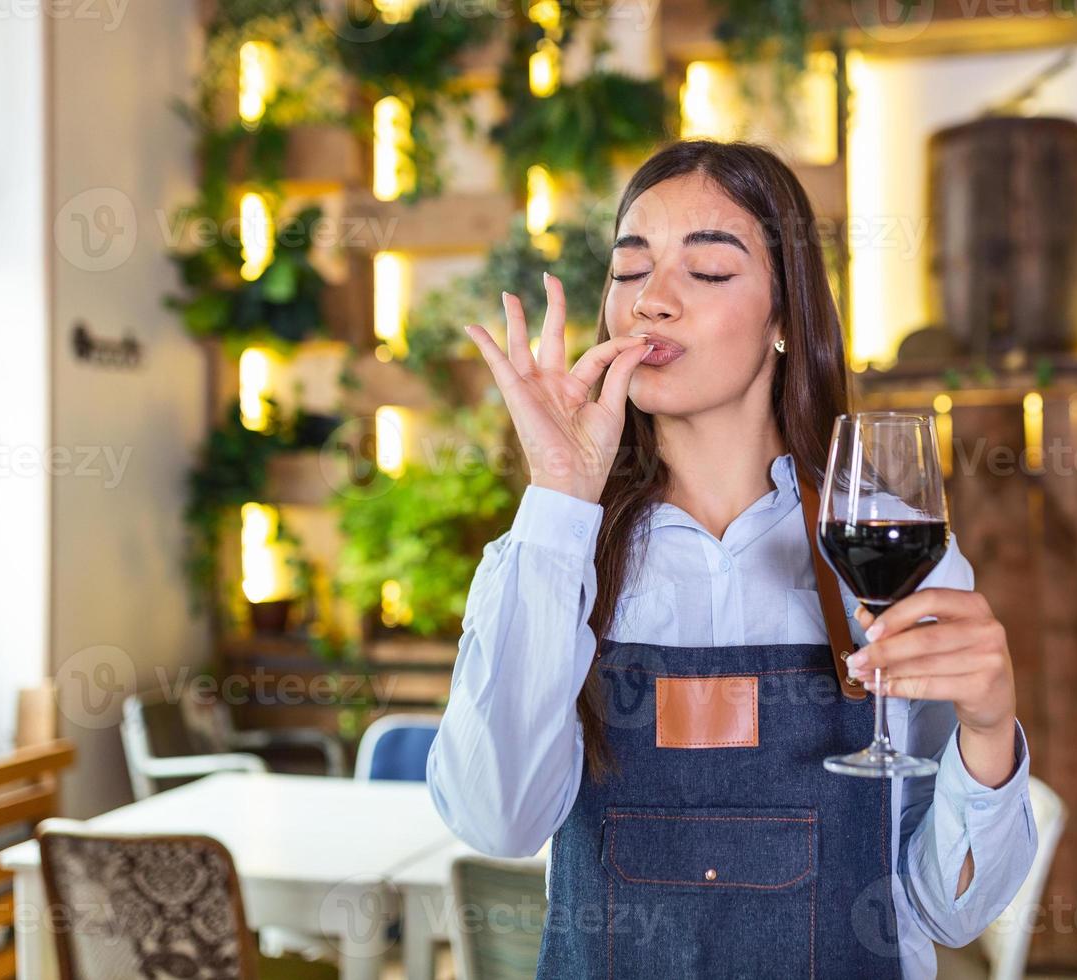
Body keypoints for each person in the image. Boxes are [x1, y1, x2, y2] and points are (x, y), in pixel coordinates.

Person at [427, 139, 1037, 978]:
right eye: (630, 271)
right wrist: (562, 495)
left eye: (708, 272)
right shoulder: (548, 552)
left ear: (786, 317)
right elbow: (499, 822)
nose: (653, 303)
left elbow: (951, 909)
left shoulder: (890, 556)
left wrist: (989, 725)